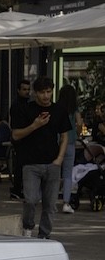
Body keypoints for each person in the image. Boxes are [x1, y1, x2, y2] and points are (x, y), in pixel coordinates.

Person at [11, 76, 69, 239]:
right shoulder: (26, 110)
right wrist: (35, 125)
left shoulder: (59, 110)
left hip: (52, 163)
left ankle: (44, 234)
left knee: (50, 204)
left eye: (48, 92)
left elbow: (65, 137)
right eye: (42, 92)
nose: (45, 96)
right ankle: (28, 227)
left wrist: (59, 159)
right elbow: (15, 135)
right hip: (31, 163)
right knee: (30, 199)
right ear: (35, 93)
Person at [57, 84, 82, 214]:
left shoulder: (57, 108)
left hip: (57, 142)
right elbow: (80, 123)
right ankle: (66, 203)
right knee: (67, 173)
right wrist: (76, 133)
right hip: (70, 142)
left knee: (54, 172)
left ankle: (50, 200)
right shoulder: (74, 109)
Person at [7, 79, 32, 200]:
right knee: (20, 165)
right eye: (24, 89)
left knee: (22, 164)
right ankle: (17, 189)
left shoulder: (27, 104)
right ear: (18, 90)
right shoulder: (17, 105)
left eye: (28, 89)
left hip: (26, 138)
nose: (27, 92)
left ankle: (19, 188)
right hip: (20, 139)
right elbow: (17, 124)